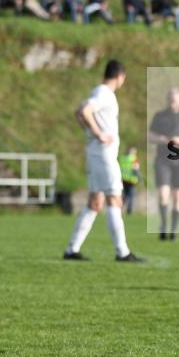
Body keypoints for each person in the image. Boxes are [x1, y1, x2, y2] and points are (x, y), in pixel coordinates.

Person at [64, 60, 143, 262]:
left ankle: (72, 249)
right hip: (104, 155)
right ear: (120, 76)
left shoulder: (97, 91)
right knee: (114, 199)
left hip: (95, 153)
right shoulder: (104, 93)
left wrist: (90, 132)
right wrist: (98, 133)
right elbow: (84, 111)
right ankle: (122, 252)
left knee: (95, 202)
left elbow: (79, 112)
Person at [149, 89, 179, 241]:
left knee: (178, 197)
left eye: (175, 99)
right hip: (163, 160)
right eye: (170, 99)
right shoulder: (159, 116)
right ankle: (163, 225)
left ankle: (174, 231)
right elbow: (149, 136)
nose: (172, 102)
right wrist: (162, 139)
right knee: (163, 194)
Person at [119, 146, 140, 215]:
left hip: (123, 179)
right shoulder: (134, 159)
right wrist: (139, 178)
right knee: (131, 196)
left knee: (124, 196)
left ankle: (121, 208)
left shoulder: (122, 158)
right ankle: (129, 211)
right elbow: (136, 169)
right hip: (131, 180)